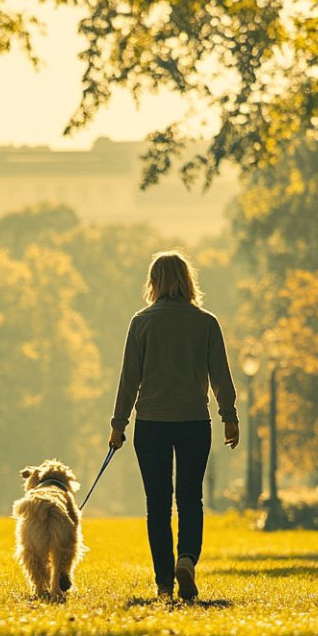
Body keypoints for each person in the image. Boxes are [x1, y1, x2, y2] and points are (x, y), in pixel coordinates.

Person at [108, 251, 239, 603]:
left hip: (151, 423)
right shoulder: (206, 323)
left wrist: (118, 424)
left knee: (158, 504)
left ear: (153, 282)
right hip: (194, 422)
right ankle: (187, 560)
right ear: (188, 280)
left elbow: (128, 379)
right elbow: (220, 376)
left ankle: (165, 583)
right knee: (191, 499)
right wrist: (230, 417)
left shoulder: (142, 322)